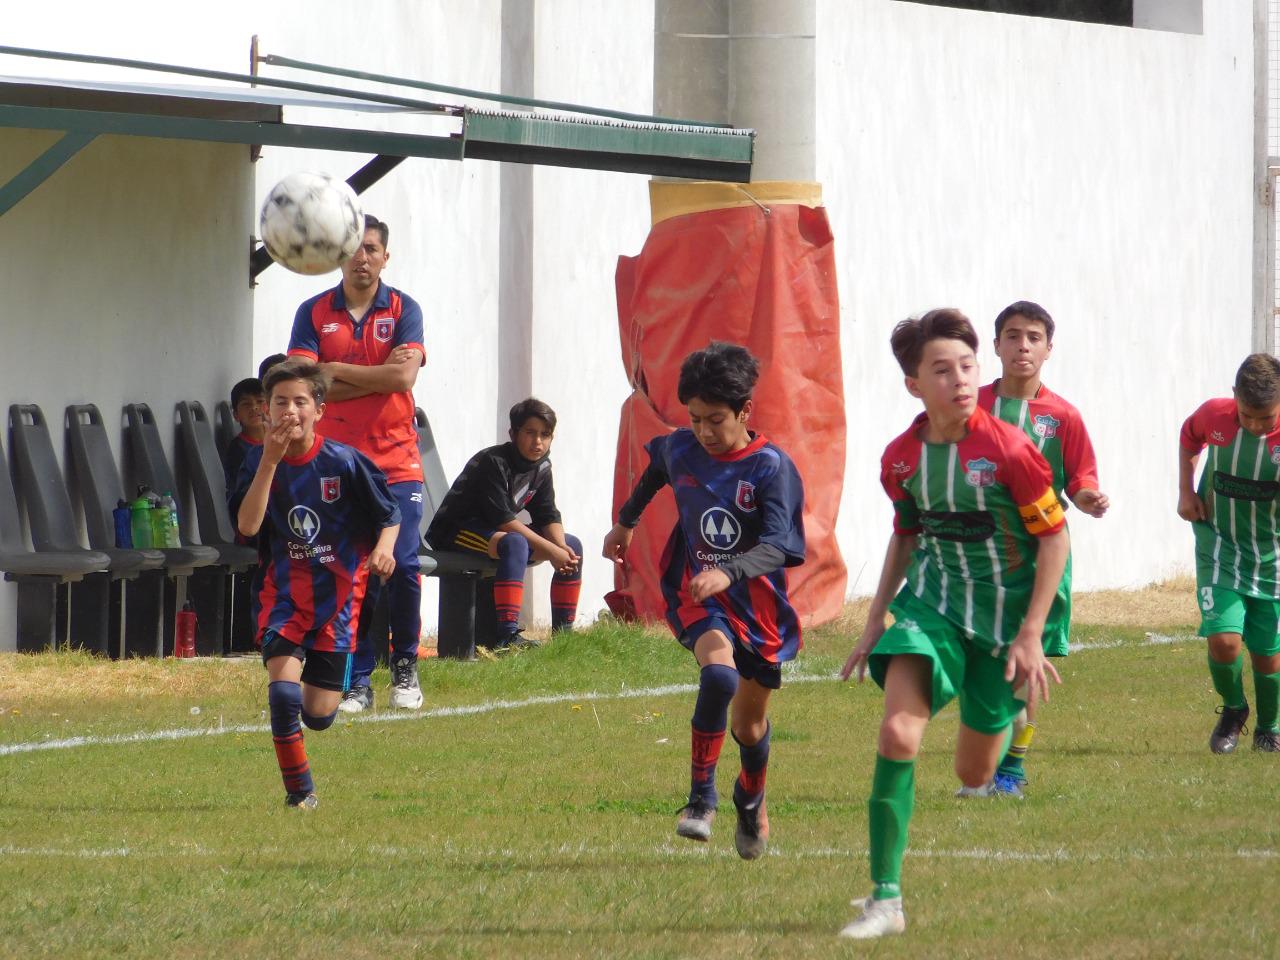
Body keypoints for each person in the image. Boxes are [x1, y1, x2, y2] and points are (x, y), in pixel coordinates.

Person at [838, 309, 1067, 940]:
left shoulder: (1012, 451)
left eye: (967, 365)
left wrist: (1031, 633)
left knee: (973, 773)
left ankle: (997, 710)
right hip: (932, 606)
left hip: (1004, 621)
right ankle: (885, 900)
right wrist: (875, 616)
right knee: (898, 736)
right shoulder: (901, 460)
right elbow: (906, 533)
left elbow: (1055, 539)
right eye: (942, 369)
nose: (961, 379)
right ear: (914, 383)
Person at [602, 342, 805, 861]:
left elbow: (782, 546)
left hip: (758, 607)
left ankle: (750, 795)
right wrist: (625, 522)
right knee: (718, 675)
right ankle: (700, 800)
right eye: (695, 419)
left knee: (749, 725)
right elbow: (655, 471)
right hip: (697, 593)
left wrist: (730, 571)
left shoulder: (770, 468)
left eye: (716, 420)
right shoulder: (682, 447)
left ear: (744, 412)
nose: (704, 431)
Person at [233, 359, 400, 809]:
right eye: (280, 402)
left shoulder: (344, 462)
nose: (290, 410)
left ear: (318, 410)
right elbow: (248, 526)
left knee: (319, 715)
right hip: (283, 595)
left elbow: (389, 516)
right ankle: (300, 792)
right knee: (283, 695)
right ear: (266, 411)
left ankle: (323, 701)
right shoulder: (256, 459)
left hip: (340, 603)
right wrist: (269, 460)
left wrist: (384, 548)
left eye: (300, 401)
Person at [287, 214, 426, 713]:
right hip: (337, 463)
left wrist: (336, 371)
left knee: (403, 564)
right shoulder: (312, 311)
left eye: (372, 249)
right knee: (349, 571)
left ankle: (406, 668)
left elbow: (403, 380)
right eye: (354, 249)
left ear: (385, 257)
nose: (362, 258)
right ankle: (359, 679)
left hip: (397, 460)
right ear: (339, 255)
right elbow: (305, 386)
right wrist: (376, 374)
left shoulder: (404, 309)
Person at [978, 300, 1109, 796]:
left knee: (1026, 658)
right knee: (983, 660)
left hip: (1039, 556)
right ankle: (985, 757)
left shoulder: (1063, 416)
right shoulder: (972, 405)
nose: (1022, 346)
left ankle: (1012, 765)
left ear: (1049, 349)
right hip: (978, 555)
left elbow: (1080, 476)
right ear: (996, 346)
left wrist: (1087, 497)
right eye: (1012, 336)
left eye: (1033, 337)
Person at [1178, 353, 1280, 755]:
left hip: (1272, 555)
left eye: (1266, 419)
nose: (1255, 426)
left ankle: (1269, 728)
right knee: (1223, 641)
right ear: (1233, 395)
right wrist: (1186, 491)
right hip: (1218, 544)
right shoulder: (1213, 416)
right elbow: (1189, 438)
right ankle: (1234, 710)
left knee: (1268, 654)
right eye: (1247, 415)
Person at [426, 398, 582, 649]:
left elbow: (548, 515)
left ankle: (564, 636)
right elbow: (505, 521)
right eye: (530, 433)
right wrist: (552, 551)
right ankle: (506, 637)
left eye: (545, 435)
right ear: (513, 433)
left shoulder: (542, 467)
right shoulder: (494, 461)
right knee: (515, 543)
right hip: (456, 532)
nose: (538, 442)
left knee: (573, 545)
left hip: (496, 534)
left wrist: (561, 547)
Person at [222, 377, 267, 492]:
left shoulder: (280, 441)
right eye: (246, 404)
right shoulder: (237, 450)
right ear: (236, 415)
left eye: (260, 401)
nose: (254, 407)